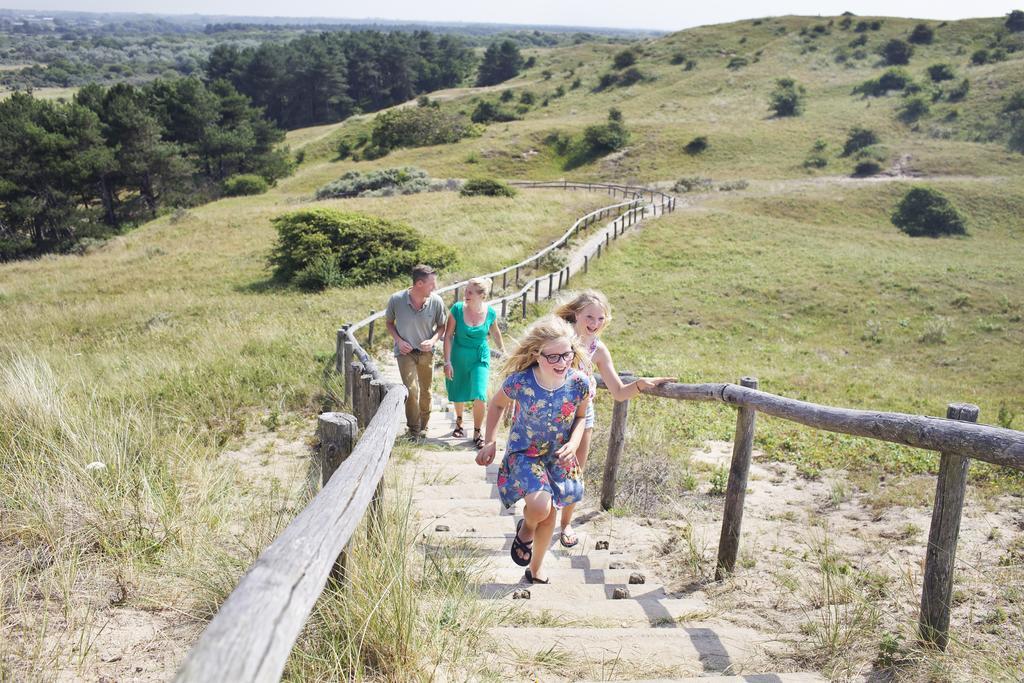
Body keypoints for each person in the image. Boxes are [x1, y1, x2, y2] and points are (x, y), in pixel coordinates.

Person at [552, 290, 674, 548]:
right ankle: (537, 519)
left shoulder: (598, 349)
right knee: (547, 470)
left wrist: (640, 384)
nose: (594, 323)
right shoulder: (558, 339)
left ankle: (565, 525)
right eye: (589, 317)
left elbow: (618, 391)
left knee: (575, 472)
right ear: (576, 314)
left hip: (583, 415)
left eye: (600, 318)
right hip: (551, 413)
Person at [476, 316, 591, 584]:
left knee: (550, 511)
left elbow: (581, 417)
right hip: (525, 453)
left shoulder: (579, 383)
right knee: (540, 507)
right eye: (553, 357)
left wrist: (574, 443)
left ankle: (536, 568)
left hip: (558, 455)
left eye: (567, 355)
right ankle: (527, 526)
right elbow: (496, 405)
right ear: (537, 355)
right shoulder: (521, 382)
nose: (562, 363)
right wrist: (490, 440)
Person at [384, 264, 447, 438]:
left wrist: (433, 340)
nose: (434, 287)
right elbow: (389, 323)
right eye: (431, 284)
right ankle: (413, 429)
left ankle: (424, 426)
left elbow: (442, 327)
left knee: (426, 391)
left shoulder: (436, 301)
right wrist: (398, 340)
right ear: (419, 283)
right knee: (411, 391)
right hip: (405, 353)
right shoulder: (396, 300)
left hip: (427, 353)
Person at [443, 277, 506, 449]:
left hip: (480, 356)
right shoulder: (457, 309)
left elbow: (495, 332)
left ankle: (478, 432)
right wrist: (447, 361)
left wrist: (504, 351)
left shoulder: (490, 313)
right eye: (466, 291)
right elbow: (448, 336)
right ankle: (459, 421)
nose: (466, 295)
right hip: (458, 355)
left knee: (480, 394)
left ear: (482, 295)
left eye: (470, 292)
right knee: (459, 388)